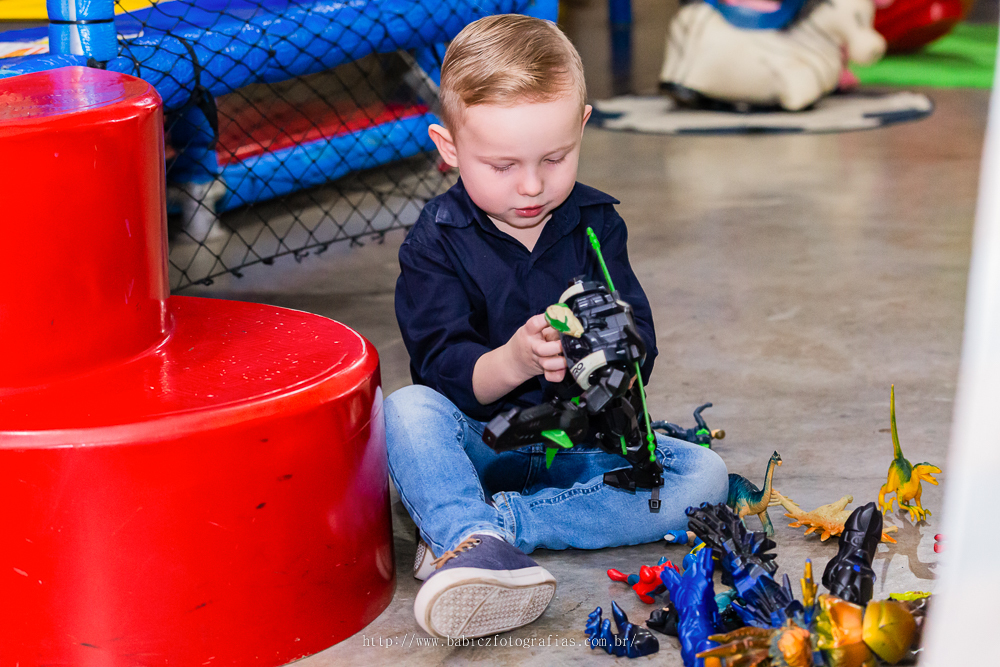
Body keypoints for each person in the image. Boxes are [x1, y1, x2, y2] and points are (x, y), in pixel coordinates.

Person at [386, 13, 729, 640]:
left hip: (579, 443)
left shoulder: (598, 224)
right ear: (449, 149)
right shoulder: (435, 242)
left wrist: (609, 351)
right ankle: (466, 528)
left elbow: (640, 344)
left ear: (582, 127)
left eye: (555, 157)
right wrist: (515, 359)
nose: (532, 185)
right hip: (480, 441)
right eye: (502, 165)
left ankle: (491, 534)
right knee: (406, 413)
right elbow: (443, 372)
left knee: (702, 478)